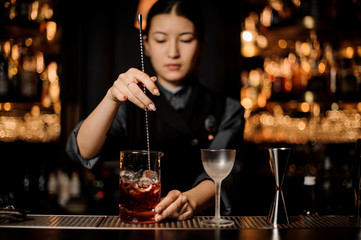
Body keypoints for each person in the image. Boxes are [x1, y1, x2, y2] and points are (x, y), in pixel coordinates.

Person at [66, 0, 245, 222]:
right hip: (135, 222)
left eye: (186, 40)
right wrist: (112, 97)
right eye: (161, 40)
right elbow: (83, 150)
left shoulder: (228, 109)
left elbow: (222, 175)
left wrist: (189, 201)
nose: (173, 52)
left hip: (199, 225)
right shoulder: (129, 102)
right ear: (147, 44)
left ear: (201, 44)